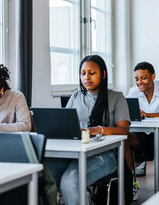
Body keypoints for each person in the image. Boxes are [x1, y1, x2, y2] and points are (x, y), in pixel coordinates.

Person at [45, 55, 132, 205]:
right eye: (83, 73)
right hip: (73, 152)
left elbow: (123, 130)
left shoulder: (116, 97)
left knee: (70, 181)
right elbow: (65, 124)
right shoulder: (76, 96)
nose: (86, 77)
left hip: (105, 155)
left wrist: (97, 130)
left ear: (103, 74)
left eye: (92, 73)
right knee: (43, 176)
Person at [127, 62, 159, 190]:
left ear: (153, 76)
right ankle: (127, 184)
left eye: (143, 78)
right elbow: (126, 113)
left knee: (158, 141)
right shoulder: (133, 91)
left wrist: (148, 115)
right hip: (143, 133)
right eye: (137, 79)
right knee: (124, 139)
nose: (139, 82)